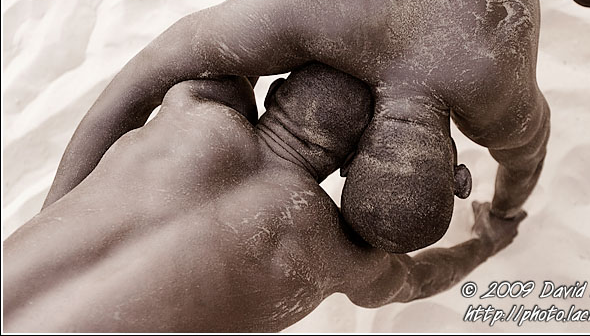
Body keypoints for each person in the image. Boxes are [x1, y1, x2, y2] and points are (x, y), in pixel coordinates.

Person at [41, 0, 590, 253]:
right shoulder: (304, 10)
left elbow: (525, 160)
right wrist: (57, 222)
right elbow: (141, 77)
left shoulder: (496, 88)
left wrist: (507, 214)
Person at [3, 64, 526, 332]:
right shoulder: (330, 254)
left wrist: (59, 213)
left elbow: (130, 90)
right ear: (349, 169)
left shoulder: (197, 104)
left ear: (270, 95)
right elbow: (414, 281)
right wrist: (484, 244)